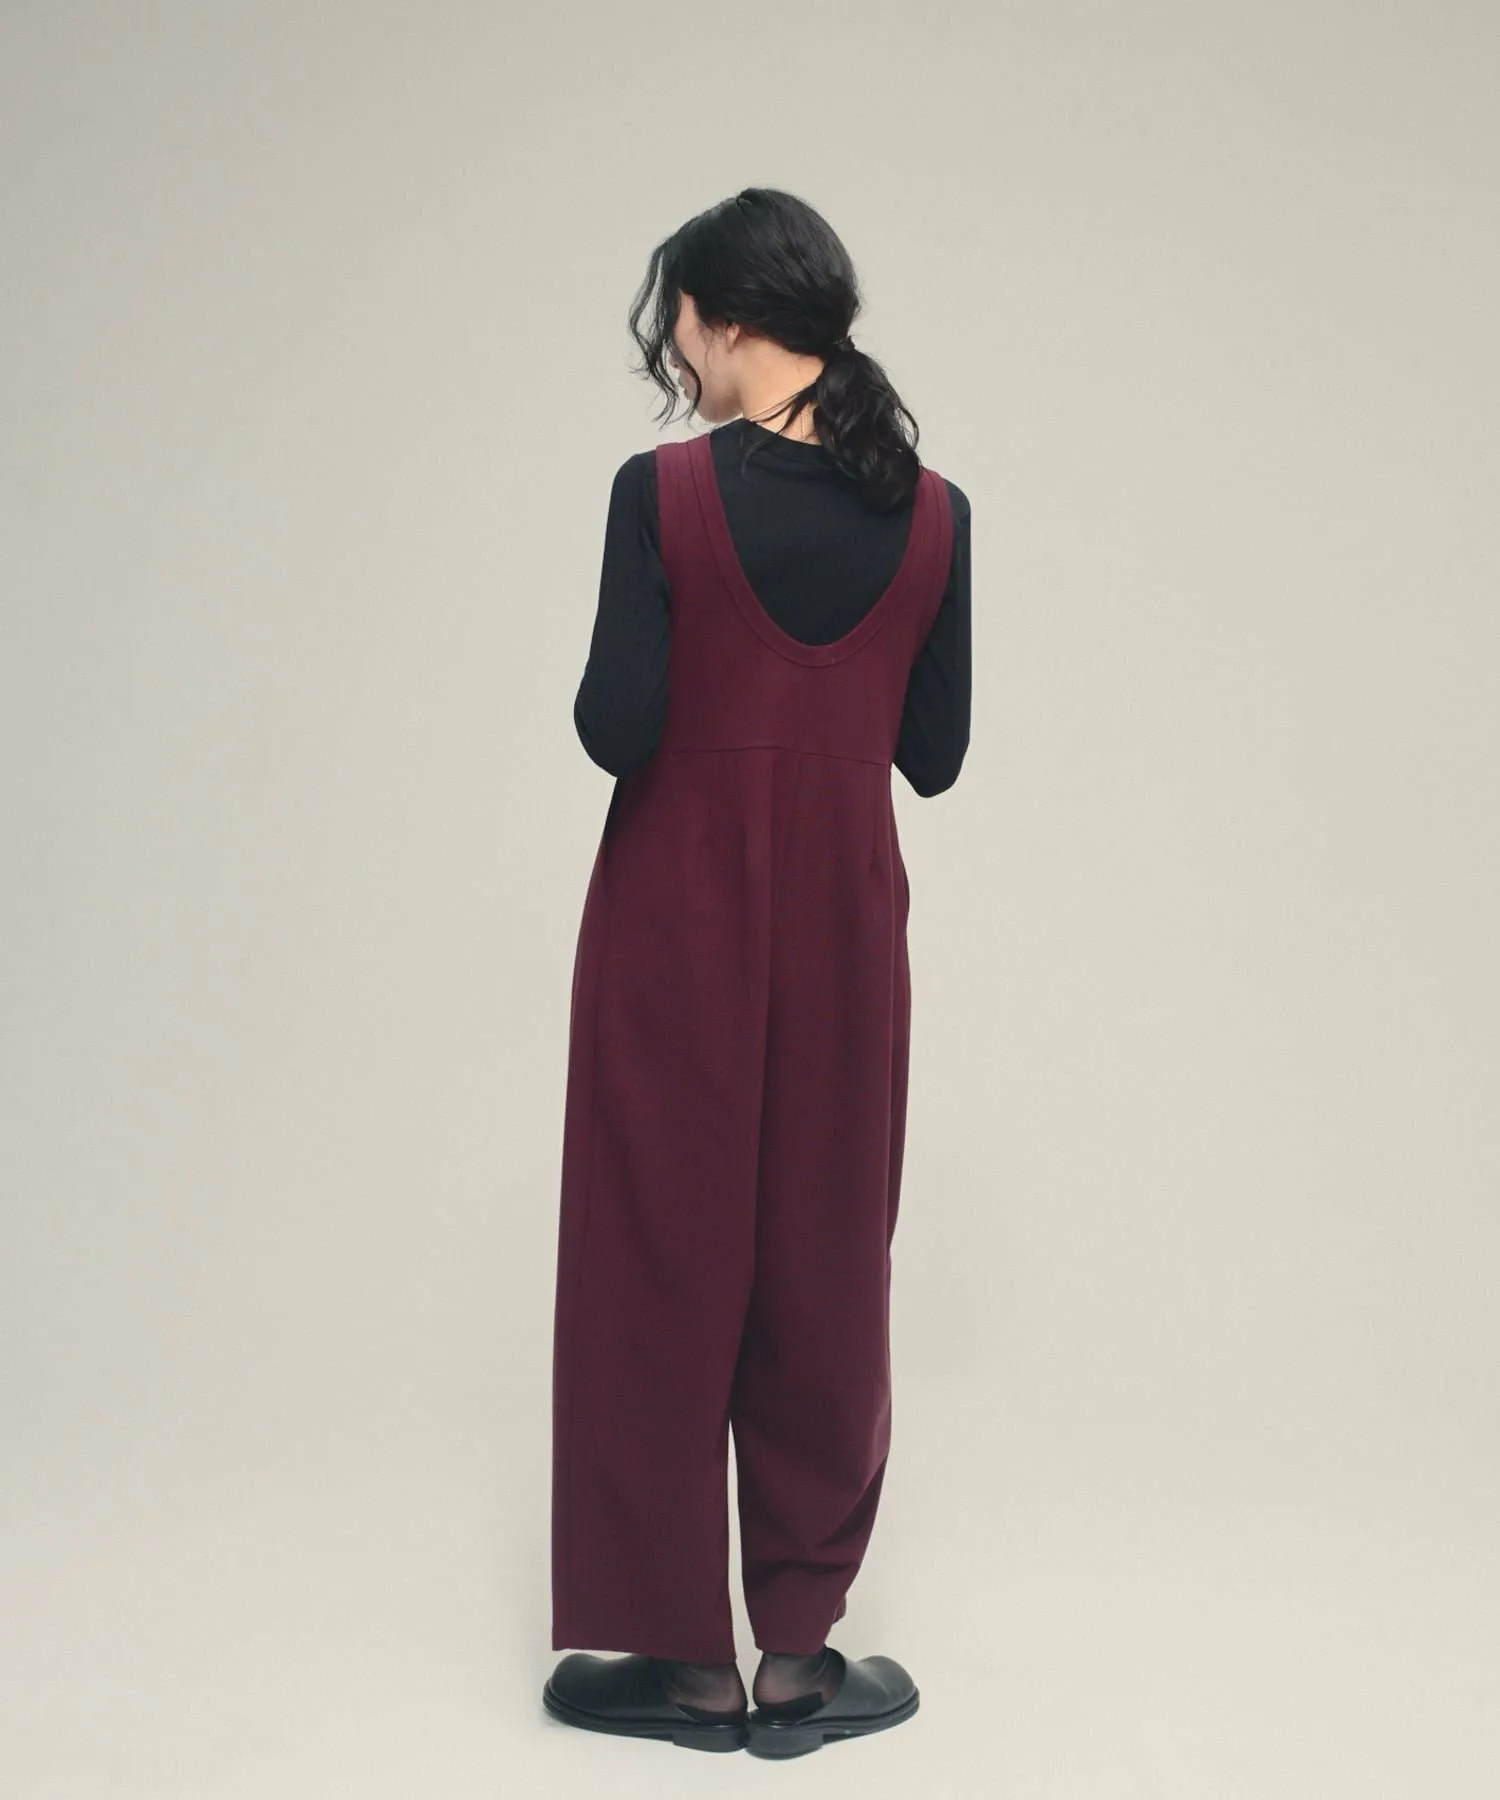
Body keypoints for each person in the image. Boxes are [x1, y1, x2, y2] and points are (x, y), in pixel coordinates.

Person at [542, 187, 971, 1758]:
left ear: (725, 318)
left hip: (676, 920)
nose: (678, 355)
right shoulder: (935, 515)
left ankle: (685, 1667)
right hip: (846, 933)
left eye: (680, 324)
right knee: (829, 1261)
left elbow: (613, 727)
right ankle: (796, 1663)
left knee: (655, 1258)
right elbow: (935, 753)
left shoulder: (659, 493)